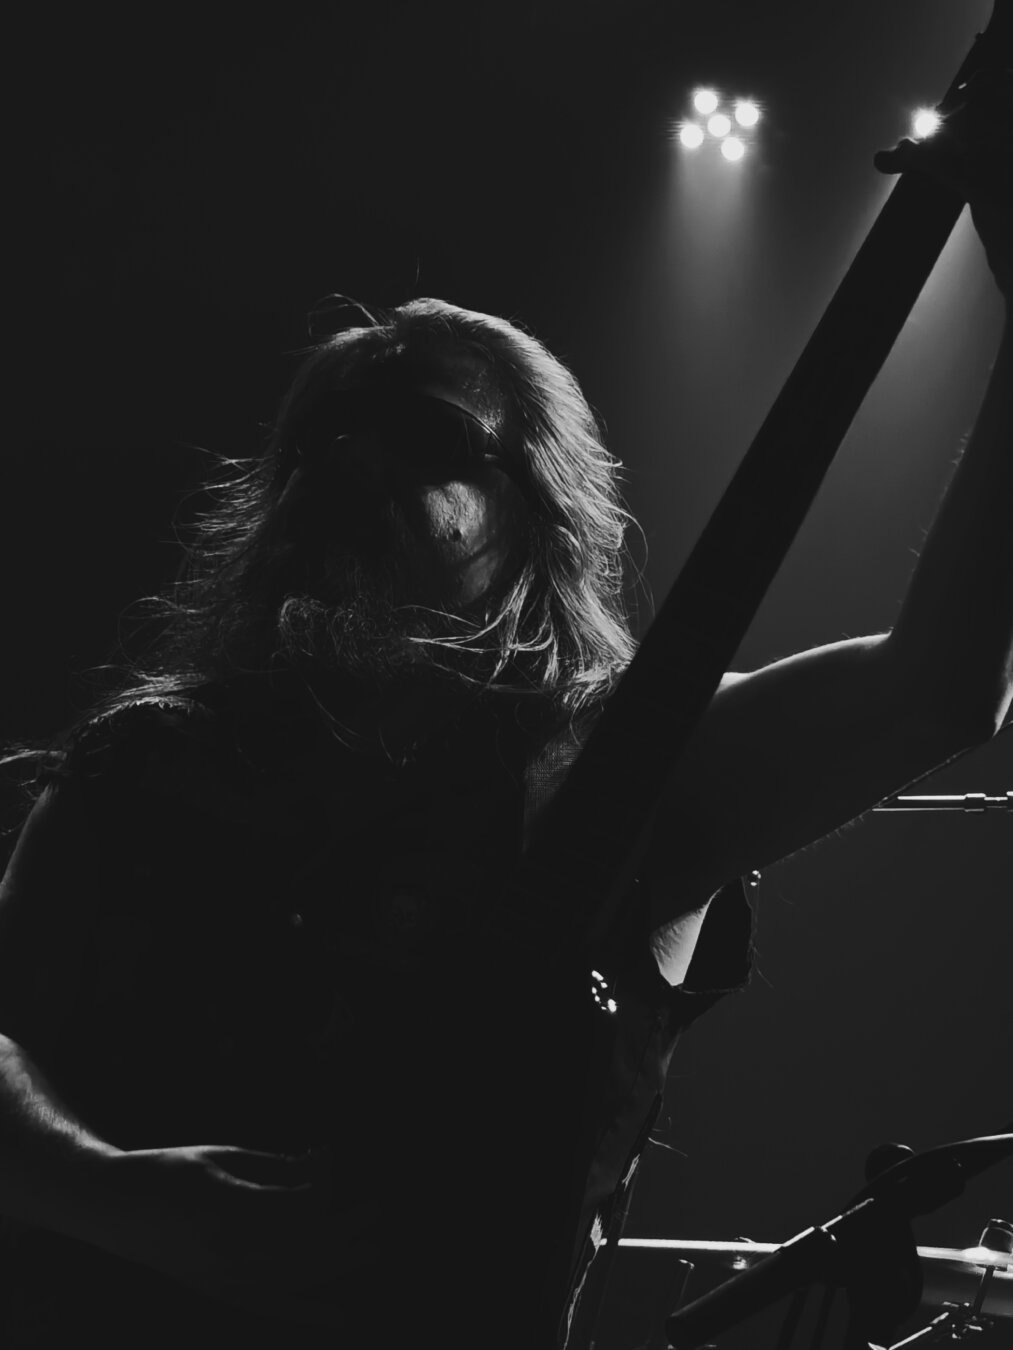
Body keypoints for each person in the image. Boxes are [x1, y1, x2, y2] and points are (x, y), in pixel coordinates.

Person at [0, 84, 1009, 1350]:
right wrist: (119, 1195)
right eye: (323, 438)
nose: (350, 464)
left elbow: (936, 687)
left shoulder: (619, 764)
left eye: (419, 436)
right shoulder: (146, 759)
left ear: (533, 507)